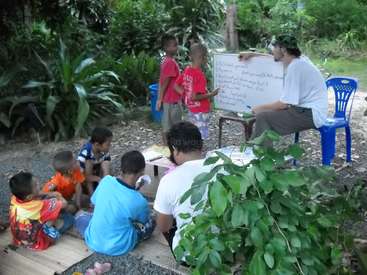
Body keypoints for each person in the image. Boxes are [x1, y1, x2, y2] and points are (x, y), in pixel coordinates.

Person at [239, 35, 328, 145]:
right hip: (311, 110)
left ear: (283, 50)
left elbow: (284, 104)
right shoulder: (300, 59)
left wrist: (258, 108)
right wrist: (253, 54)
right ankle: (259, 150)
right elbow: (275, 58)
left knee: (263, 117)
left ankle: (260, 155)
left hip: (310, 114)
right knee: (267, 115)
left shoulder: (294, 68)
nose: (272, 50)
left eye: (275, 47)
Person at [74, 151, 155, 256]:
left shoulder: (106, 181)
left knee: (80, 215)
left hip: (93, 241)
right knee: (152, 221)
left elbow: (94, 204)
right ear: (142, 172)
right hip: (120, 246)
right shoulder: (139, 201)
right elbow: (142, 221)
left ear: (122, 168)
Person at [154, 122, 212, 258]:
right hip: (226, 249)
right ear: (201, 145)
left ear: (175, 149)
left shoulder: (168, 180)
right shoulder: (222, 167)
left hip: (189, 256)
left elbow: (163, 227)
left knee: (165, 215)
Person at [9, 172, 73, 250]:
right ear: (29, 196)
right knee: (69, 219)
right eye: (36, 185)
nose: (39, 184)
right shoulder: (39, 206)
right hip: (36, 243)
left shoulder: (15, 199)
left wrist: (49, 194)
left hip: (18, 238)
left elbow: (36, 195)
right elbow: (64, 204)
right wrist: (58, 195)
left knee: (45, 202)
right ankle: (49, 236)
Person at [175, 43, 219, 140]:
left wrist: (186, 94)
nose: (207, 59)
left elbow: (176, 86)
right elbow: (195, 97)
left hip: (191, 109)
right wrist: (212, 94)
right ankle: (198, 153)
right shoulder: (199, 75)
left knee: (194, 132)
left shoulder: (187, 70)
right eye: (206, 57)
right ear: (202, 58)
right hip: (201, 110)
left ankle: (193, 150)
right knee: (200, 136)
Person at [156, 34, 183, 145]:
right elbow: (165, 82)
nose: (177, 47)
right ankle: (171, 149)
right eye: (175, 45)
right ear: (167, 48)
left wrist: (160, 98)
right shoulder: (170, 62)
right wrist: (159, 99)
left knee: (167, 126)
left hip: (169, 100)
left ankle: (169, 149)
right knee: (174, 128)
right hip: (172, 101)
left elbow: (161, 80)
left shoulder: (165, 60)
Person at [78, 127, 112, 194]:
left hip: (98, 177)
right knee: (89, 162)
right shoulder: (85, 153)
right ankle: (92, 196)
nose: (110, 146)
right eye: (108, 144)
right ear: (97, 144)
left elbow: (107, 165)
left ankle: (105, 187)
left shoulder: (104, 151)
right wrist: (97, 179)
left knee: (106, 163)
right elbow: (80, 176)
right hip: (85, 181)